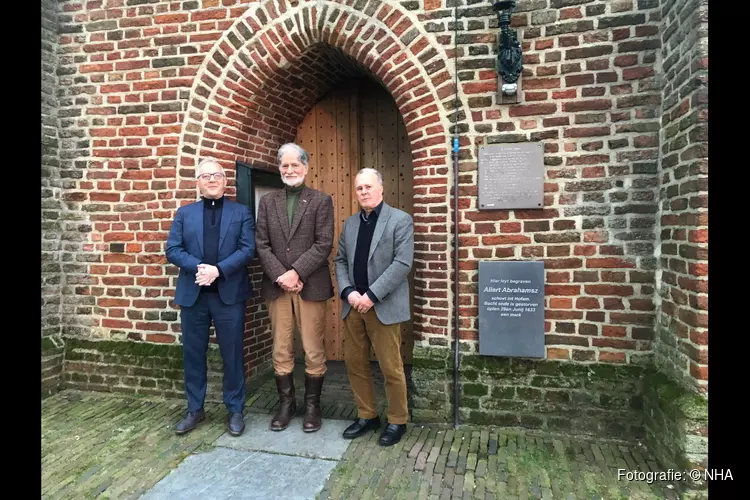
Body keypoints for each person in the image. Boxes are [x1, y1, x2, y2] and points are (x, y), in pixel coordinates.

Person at [165, 157, 255, 437]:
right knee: (193, 355)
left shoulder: (241, 213)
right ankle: (195, 409)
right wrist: (199, 268)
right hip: (194, 297)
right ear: (198, 183)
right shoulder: (185, 213)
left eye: (216, 175)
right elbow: (173, 249)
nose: (212, 180)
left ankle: (235, 409)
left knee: (232, 355)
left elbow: (247, 249)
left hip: (229, 296)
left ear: (225, 181)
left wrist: (218, 270)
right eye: (206, 176)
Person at [255, 143, 334, 432]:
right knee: (281, 348)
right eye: (284, 165)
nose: (290, 170)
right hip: (278, 287)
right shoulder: (267, 202)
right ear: (279, 168)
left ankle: (313, 406)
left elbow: (324, 242)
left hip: (310, 285)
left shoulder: (320, 200)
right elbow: (261, 243)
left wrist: (297, 271)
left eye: (295, 165)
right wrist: (281, 275)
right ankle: (286, 404)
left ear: (305, 167)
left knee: (313, 349)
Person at [334, 168, 414, 447]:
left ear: (381, 189)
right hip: (353, 305)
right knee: (355, 364)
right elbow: (340, 261)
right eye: (359, 188)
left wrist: (371, 295)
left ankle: (397, 420)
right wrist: (348, 292)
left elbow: (402, 264)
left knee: (391, 367)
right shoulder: (350, 224)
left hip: (383, 306)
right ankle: (367, 415)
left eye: (368, 187)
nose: (364, 192)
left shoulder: (400, 221)